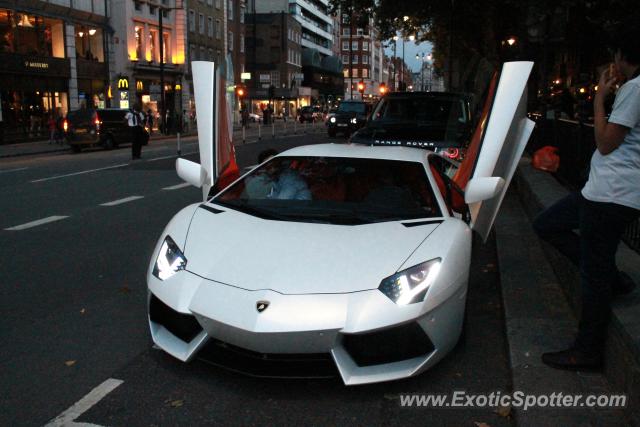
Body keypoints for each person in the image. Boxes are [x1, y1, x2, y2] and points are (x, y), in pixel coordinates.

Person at [534, 29, 640, 371]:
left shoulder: (635, 89)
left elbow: (606, 142)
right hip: (605, 191)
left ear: (625, 55)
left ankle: (587, 351)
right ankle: (615, 278)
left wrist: (598, 99)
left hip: (611, 194)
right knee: (547, 224)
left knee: (593, 278)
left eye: (617, 56)